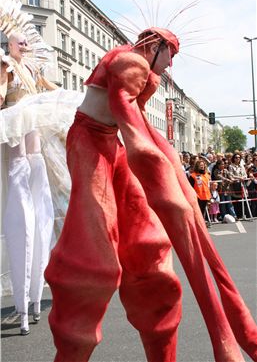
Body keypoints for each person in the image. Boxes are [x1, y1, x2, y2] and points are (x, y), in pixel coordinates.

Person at [45, 27, 257, 362]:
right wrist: (167, 178)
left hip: (110, 143)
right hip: (88, 141)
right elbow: (132, 125)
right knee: (94, 259)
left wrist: (171, 171)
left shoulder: (147, 75)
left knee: (149, 252)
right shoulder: (129, 62)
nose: (171, 62)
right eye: (170, 52)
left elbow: (139, 125)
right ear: (154, 46)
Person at [0, 32, 58, 335]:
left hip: (32, 127)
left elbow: (49, 91)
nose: (25, 46)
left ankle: (34, 300)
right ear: (9, 44)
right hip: (13, 129)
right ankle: (26, 306)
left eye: (26, 43)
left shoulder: (31, 68)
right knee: (21, 174)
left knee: (37, 177)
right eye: (20, 43)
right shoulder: (5, 65)